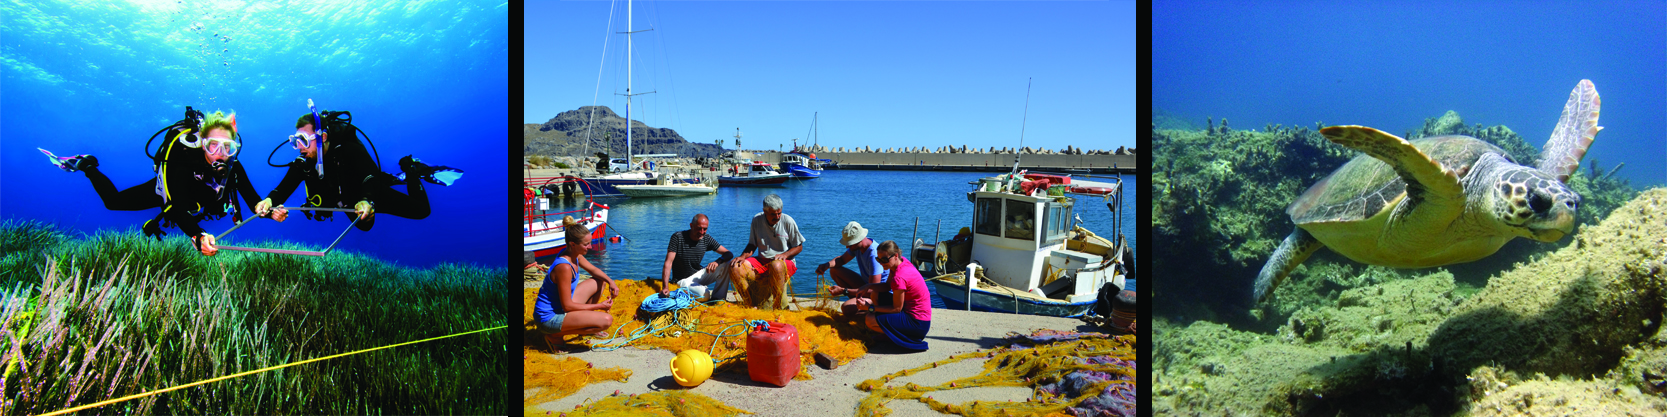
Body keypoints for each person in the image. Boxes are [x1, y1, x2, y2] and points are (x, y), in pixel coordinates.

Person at [41, 107, 270, 256]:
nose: (220, 153)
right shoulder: (182, 158)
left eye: (227, 147)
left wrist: (268, 209)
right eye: (213, 146)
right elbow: (175, 205)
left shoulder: (233, 167)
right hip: (169, 193)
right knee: (112, 202)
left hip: (197, 204)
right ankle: (86, 165)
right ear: (202, 143)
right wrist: (197, 234)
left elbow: (252, 199)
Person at [258, 109, 462, 230]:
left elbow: (369, 175)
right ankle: (393, 178)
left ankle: (410, 168)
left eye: (303, 140)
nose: (299, 147)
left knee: (422, 211)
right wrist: (268, 200)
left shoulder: (348, 150)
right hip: (348, 200)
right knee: (364, 226)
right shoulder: (303, 163)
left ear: (323, 138)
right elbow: (283, 188)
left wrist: (368, 200)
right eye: (295, 141)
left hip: (369, 191)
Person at [533, 216, 620, 351]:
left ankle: (586, 324)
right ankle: (554, 335)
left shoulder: (574, 254)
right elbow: (567, 306)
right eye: (586, 244)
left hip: (560, 307)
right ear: (573, 244)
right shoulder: (564, 267)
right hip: (549, 319)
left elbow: (594, 270)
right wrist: (600, 306)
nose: (590, 247)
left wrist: (611, 282)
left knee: (600, 281)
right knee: (606, 320)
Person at [850, 240, 932, 351]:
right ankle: (890, 331)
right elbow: (887, 286)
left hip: (918, 324)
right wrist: (868, 286)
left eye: (884, 260)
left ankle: (895, 335)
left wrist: (869, 308)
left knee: (869, 319)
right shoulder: (901, 263)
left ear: (896, 256)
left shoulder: (899, 277)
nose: (881, 263)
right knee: (876, 294)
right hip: (915, 315)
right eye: (878, 259)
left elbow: (896, 308)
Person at [728, 194, 805, 309]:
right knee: (735, 267)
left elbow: (799, 246)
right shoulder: (756, 220)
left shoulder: (788, 221)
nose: (777, 217)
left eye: (779, 213)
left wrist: (784, 255)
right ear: (764, 211)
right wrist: (742, 256)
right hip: (762, 261)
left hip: (783, 263)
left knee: (776, 265)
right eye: (773, 214)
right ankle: (750, 305)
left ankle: (777, 307)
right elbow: (752, 245)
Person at [817, 221, 890, 316]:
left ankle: (874, 311)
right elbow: (842, 260)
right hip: (866, 285)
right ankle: (857, 300)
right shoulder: (857, 247)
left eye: (850, 244)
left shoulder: (874, 255)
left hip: (879, 294)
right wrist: (827, 265)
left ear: (859, 240)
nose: (847, 246)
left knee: (846, 308)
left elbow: (873, 290)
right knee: (834, 270)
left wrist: (844, 291)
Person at [659, 214, 734, 300]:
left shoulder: (706, 239)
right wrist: (665, 287)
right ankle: (690, 291)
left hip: (697, 275)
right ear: (691, 226)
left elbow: (729, 253)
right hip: (682, 280)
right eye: (699, 228)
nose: (702, 232)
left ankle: (718, 299)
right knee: (704, 295)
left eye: (705, 229)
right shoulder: (678, 237)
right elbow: (668, 262)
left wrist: (718, 261)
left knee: (727, 263)